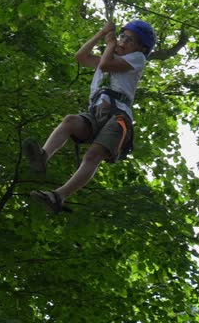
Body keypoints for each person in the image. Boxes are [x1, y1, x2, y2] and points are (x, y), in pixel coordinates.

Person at [24, 19, 156, 213]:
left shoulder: (137, 59)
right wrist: (101, 33)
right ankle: (43, 156)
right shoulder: (109, 57)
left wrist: (110, 44)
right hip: (96, 112)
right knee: (70, 121)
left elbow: (106, 64)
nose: (123, 42)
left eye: (130, 40)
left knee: (93, 155)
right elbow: (80, 57)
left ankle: (58, 196)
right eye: (122, 36)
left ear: (141, 48)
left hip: (118, 116)